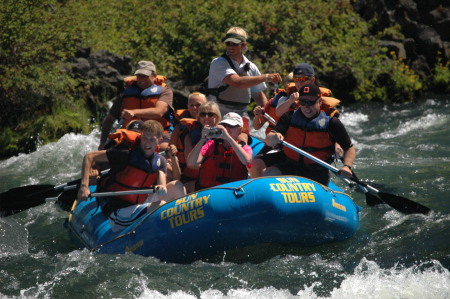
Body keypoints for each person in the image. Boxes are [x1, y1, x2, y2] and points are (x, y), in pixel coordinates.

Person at [77, 120, 186, 232]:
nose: (147, 143)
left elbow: (162, 184)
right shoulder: (125, 153)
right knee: (160, 204)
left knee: (177, 186)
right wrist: (84, 186)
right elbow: (89, 157)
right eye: (144, 138)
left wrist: (161, 188)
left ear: (160, 140)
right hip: (119, 212)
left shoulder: (160, 161)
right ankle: (158, 232)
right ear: (140, 136)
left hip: (140, 203)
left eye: (152, 139)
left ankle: (181, 229)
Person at [263, 83, 355, 186]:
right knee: (269, 173)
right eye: (303, 102)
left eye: (311, 102)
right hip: (290, 165)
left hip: (316, 171)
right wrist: (274, 136)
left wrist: (347, 166)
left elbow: (349, 147)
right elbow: (269, 139)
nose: (306, 107)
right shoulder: (289, 117)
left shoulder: (332, 123)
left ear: (320, 102)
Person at [98, 61, 174, 150]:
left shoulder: (165, 92)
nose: (141, 79)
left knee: (164, 148)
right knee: (98, 155)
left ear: (154, 76)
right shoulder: (125, 94)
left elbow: (159, 112)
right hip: (131, 133)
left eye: (145, 76)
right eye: (139, 76)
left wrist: (134, 112)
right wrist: (102, 142)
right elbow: (110, 119)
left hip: (158, 134)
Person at [207, 26, 281, 117]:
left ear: (244, 45)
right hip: (217, 116)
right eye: (228, 43)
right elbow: (237, 82)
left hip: (241, 117)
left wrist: (269, 113)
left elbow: (258, 95)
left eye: (234, 43)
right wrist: (266, 77)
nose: (230, 47)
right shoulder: (218, 63)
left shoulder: (251, 67)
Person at [186, 112, 252, 190]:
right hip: (209, 193)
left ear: (239, 130)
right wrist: (202, 139)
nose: (226, 129)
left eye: (231, 126)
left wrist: (228, 138)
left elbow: (246, 161)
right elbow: (191, 163)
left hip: (233, 194)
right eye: (224, 126)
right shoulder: (211, 145)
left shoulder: (245, 148)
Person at [171, 101, 222, 193]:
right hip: (194, 180)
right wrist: (203, 138)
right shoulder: (189, 134)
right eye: (203, 114)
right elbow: (190, 163)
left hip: (218, 179)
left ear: (217, 116)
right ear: (199, 117)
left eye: (210, 114)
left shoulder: (225, 132)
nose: (206, 117)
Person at [275, 63, 339, 118]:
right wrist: (290, 101)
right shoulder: (287, 96)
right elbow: (278, 114)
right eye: (296, 79)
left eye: (303, 79)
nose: (299, 83)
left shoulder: (323, 99)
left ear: (312, 80)